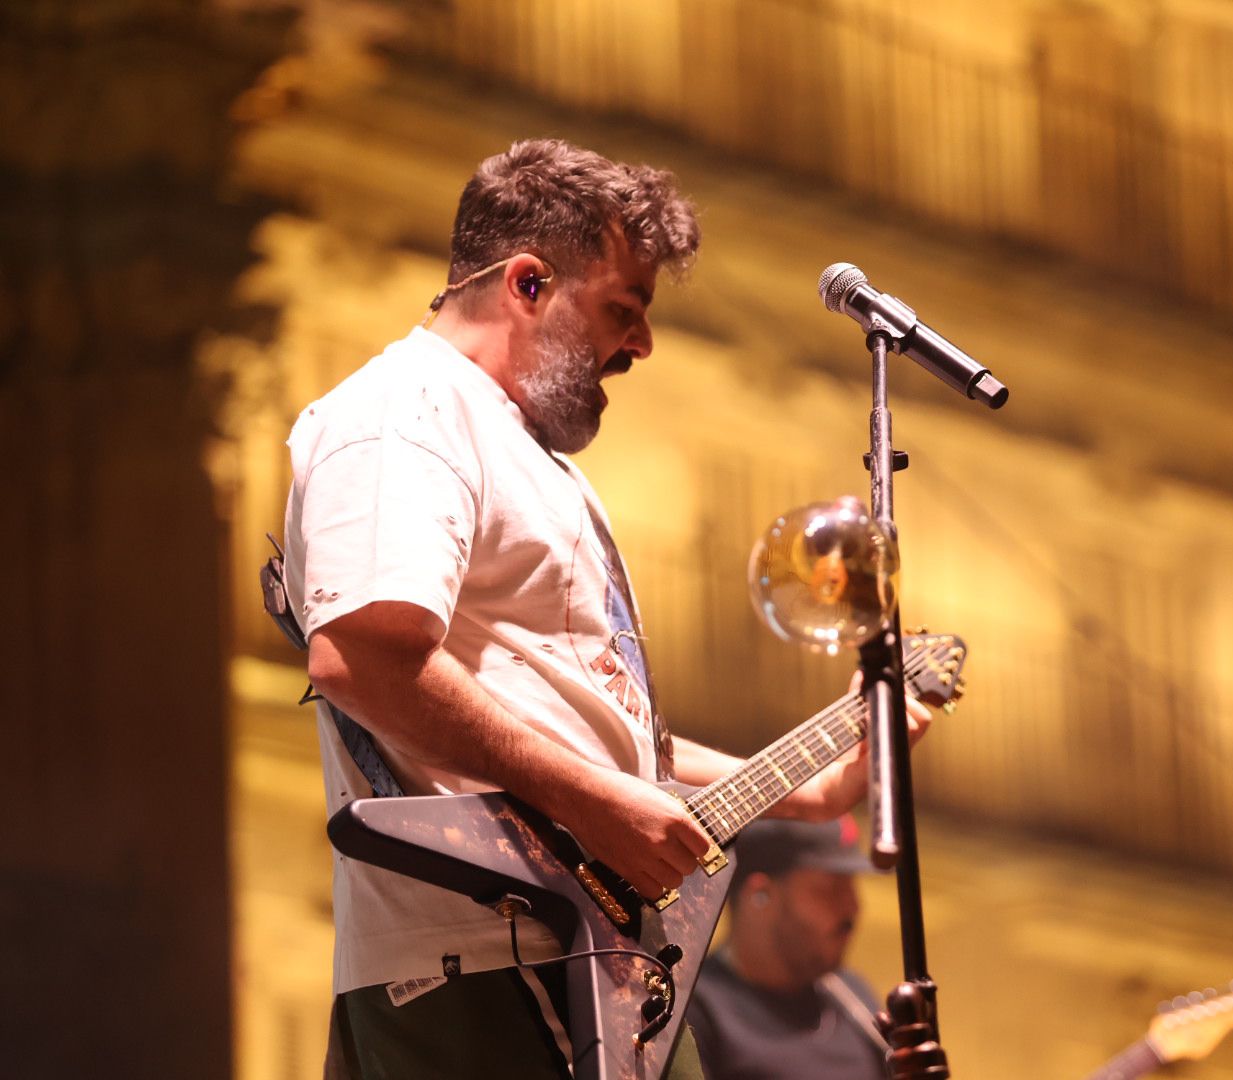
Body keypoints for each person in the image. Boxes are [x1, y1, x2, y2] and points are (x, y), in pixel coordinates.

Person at [281, 138, 927, 1078]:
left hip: (589, 962)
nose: (641, 344)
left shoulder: (543, 465)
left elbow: (594, 731)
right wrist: (597, 801)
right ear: (529, 284)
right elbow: (365, 656)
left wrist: (806, 787)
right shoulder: (405, 413)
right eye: (623, 309)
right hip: (478, 969)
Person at [686, 816, 889, 1080]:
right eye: (830, 888)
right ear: (760, 895)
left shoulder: (850, 993)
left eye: (851, 886)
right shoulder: (694, 1013)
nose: (852, 907)